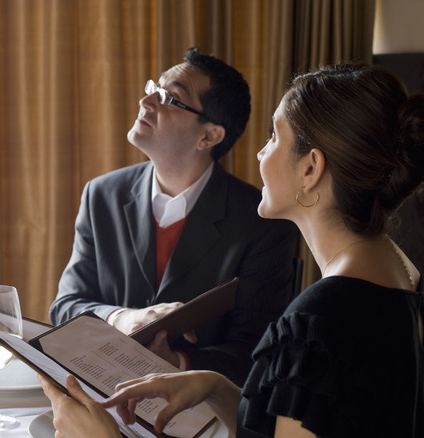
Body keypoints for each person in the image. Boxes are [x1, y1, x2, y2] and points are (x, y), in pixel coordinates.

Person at [41, 63, 424, 437]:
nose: (259, 154)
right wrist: (217, 388)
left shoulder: (317, 324)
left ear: (310, 170)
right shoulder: (399, 277)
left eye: (274, 137)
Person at [49, 48, 299, 385]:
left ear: (209, 136)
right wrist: (121, 318)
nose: (147, 100)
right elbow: (65, 306)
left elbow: (257, 349)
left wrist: (178, 361)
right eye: (153, 87)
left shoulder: (262, 221)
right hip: (100, 395)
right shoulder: (102, 195)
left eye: (168, 97)